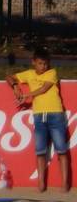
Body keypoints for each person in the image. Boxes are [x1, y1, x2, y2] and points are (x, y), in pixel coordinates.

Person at [6, 48, 71, 193]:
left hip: (55, 114)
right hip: (39, 115)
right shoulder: (29, 74)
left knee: (61, 150)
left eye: (46, 64)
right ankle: (41, 184)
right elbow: (9, 77)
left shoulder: (52, 72)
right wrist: (15, 86)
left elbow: (43, 89)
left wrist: (26, 95)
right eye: (40, 63)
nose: (44, 66)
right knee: (40, 151)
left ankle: (65, 184)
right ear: (33, 62)